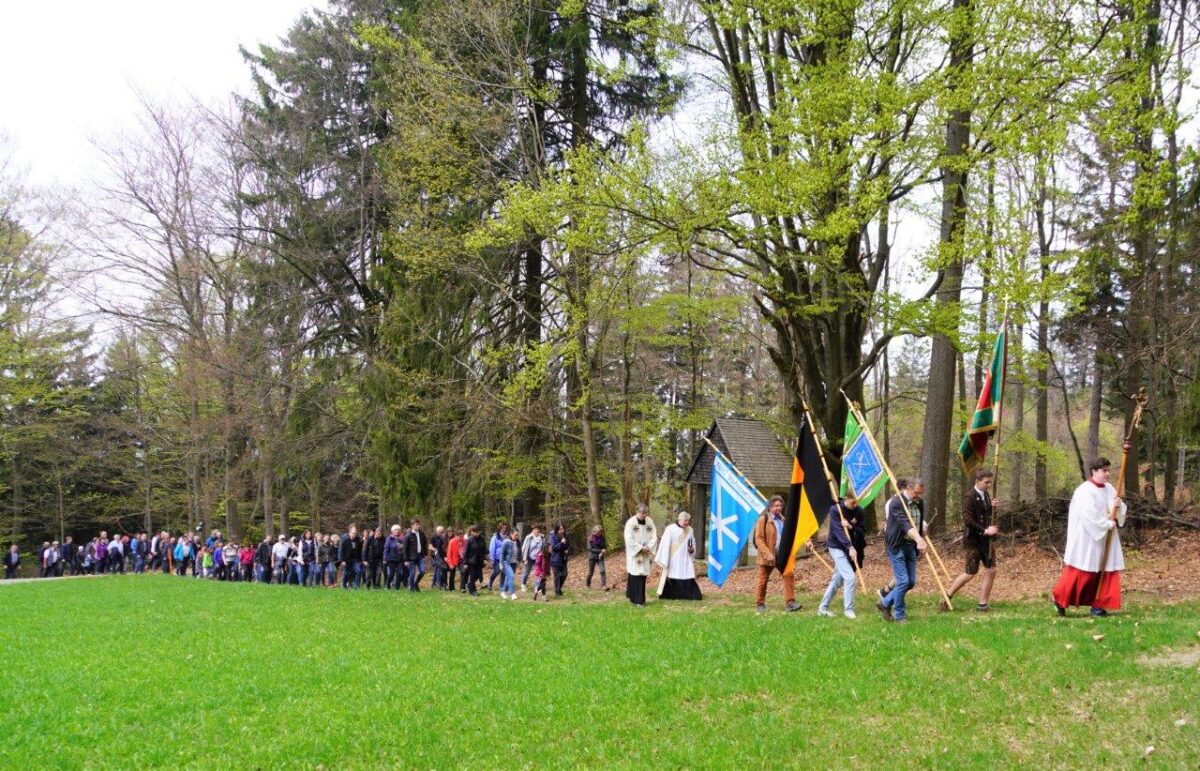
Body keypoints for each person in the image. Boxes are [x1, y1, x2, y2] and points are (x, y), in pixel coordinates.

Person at [1052, 458, 1128, 617]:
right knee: (1083, 570)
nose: (1107, 474)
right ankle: (1059, 599)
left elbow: (1118, 509)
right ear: (1094, 471)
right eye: (1104, 470)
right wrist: (1106, 524)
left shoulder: (1109, 488)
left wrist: (1119, 505)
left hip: (1107, 536)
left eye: (1108, 470)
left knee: (1105, 570)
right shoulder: (1084, 490)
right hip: (1088, 538)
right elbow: (1089, 515)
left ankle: (1098, 605)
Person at [942, 469, 1002, 612]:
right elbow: (968, 520)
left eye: (990, 482)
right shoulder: (970, 496)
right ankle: (947, 597)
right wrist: (985, 530)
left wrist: (993, 508)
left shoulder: (986, 495)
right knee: (970, 572)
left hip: (986, 541)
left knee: (991, 570)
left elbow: (987, 515)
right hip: (973, 540)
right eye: (986, 482)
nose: (988, 485)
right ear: (977, 481)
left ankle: (982, 604)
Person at [877, 478, 927, 623]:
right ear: (908, 488)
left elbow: (917, 523)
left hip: (911, 544)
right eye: (916, 493)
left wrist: (921, 538)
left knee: (910, 582)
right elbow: (905, 524)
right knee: (903, 581)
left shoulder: (920, 502)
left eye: (920, 494)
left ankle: (885, 603)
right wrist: (919, 539)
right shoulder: (897, 502)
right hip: (896, 545)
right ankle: (900, 616)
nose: (918, 496)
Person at [818, 494, 862, 619]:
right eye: (853, 502)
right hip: (836, 547)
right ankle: (848, 610)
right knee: (850, 577)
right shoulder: (835, 509)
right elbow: (838, 531)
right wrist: (850, 547)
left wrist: (850, 526)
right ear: (847, 499)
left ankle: (823, 608)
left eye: (857, 503)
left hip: (848, 547)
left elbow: (860, 529)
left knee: (837, 580)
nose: (855, 505)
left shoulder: (857, 510)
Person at [752, 496, 800, 613]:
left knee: (788, 575)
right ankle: (760, 604)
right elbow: (758, 539)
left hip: (781, 555)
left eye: (780, 506)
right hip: (767, 556)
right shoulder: (763, 519)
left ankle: (790, 603)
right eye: (776, 506)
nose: (779, 508)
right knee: (763, 580)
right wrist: (767, 553)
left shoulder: (783, 520)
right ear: (770, 507)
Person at [655, 512, 702, 600]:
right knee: (673, 575)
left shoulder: (690, 529)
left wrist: (691, 549)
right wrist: (665, 559)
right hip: (674, 559)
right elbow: (665, 544)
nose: (687, 523)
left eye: (688, 521)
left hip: (685, 558)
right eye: (685, 520)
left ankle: (689, 595)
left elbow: (693, 543)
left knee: (687, 575)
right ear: (680, 519)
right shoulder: (670, 529)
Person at [623, 504, 658, 606]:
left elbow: (654, 536)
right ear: (637, 512)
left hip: (646, 552)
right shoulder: (631, 523)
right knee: (636, 575)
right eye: (643, 513)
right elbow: (628, 538)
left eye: (646, 513)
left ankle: (633, 596)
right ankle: (639, 600)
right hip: (636, 554)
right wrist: (639, 548)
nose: (645, 515)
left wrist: (649, 547)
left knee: (642, 576)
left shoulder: (649, 521)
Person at [403, 519, 427, 592]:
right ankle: (411, 587)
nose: (418, 526)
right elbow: (405, 548)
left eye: (419, 525)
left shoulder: (422, 534)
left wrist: (425, 554)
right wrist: (406, 560)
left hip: (420, 556)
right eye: (416, 525)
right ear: (412, 525)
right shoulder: (408, 535)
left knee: (422, 571)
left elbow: (425, 544)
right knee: (412, 573)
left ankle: (416, 584)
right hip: (411, 558)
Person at [519, 525, 543, 593]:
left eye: (538, 529)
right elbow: (524, 548)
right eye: (535, 529)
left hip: (538, 558)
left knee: (538, 573)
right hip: (529, 557)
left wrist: (541, 555)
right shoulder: (529, 537)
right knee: (526, 572)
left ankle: (537, 587)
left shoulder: (542, 537)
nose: (537, 531)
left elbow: (542, 547)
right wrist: (524, 558)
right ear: (532, 530)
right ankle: (523, 584)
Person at [463, 525, 485, 595]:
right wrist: (465, 563)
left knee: (477, 575)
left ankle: (469, 585)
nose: (477, 534)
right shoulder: (469, 540)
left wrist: (486, 558)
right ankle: (473, 591)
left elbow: (484, 549)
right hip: (471, 561)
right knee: (473, 575)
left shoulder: (482, 539)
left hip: (479, 561)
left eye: (478, 532)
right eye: (475, 532)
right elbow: (465, 552)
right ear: (472, 532)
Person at [339, 525, 363, 589]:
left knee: (358, 571)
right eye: (353, 533)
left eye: (355, 533)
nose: (354, 534)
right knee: (346, 573)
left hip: (355, 560)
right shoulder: (345, 540)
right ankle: (344, 585)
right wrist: (342, 560)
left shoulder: (358, 540)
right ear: (349, 533)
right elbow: (341, 551)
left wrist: (360, 559)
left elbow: (360, 550)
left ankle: (356, 586)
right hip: (347, 560)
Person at [549, 522, 570, 597]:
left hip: (563, 558)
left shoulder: (565, 535)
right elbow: (553, 547)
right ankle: (557, 591)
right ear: (557, 529)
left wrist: (566, 548)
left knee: (565, 574)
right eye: (560, 529)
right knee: (557, 576)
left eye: (563, 529)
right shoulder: (552, 536)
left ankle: (558, 588)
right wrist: (561, 543)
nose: (562, 530)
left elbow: (567, 545)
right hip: (555, 559)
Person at [487, 523, 509, 591]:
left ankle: (502, 586)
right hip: (497, 558)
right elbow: (492, 548)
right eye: (502, 528)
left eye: (505, 528)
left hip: (505, 558)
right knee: (496, 571)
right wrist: (492, 558)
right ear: (499, 528)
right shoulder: (495, 537)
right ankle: (490, 583)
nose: (504, 529)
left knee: (504, 573)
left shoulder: (507, 537)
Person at [586, 525, 608, 589]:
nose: (599, 533)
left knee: (602, 570)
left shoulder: (603, 538)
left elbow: (604, 547)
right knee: (591, 572)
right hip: (592, 557)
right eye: (598, 532)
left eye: (600, 532)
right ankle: (587, 584)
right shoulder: (590, 539)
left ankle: (604, 585)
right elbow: (590, 549)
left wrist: (603, 551)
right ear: (594, 531)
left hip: (600, 557)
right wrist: (600, 550)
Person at [383, 525, 405, 590]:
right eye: (395, 530)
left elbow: (405, 548)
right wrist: (385, 558)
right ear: (392, 531)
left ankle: (396, 587)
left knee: (399, 573)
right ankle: (387, 585)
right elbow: (386, 549)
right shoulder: (389, 539)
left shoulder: (403, 539)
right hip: (391, 559)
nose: (397, 531)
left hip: (400, 559)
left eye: (398, 530)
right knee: (391, 573)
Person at [500, 529, 519, 599]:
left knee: (508, 577)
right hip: (506, 562)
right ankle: (513, 593)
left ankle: (503, 591)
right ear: (511, 534)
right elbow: (501, 553)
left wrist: (519, 561)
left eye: (517, 535)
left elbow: (518, 552)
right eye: (515, 535)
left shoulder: (517, 542)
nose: (517, 537)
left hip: (514, 563)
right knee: (511, 576)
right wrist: (501, 564)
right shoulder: (506, 542)